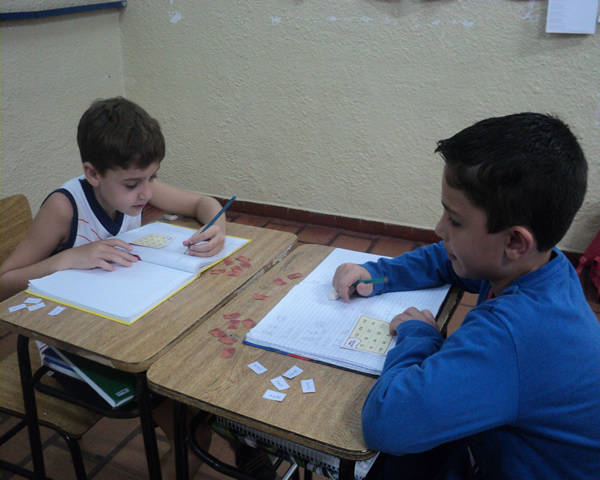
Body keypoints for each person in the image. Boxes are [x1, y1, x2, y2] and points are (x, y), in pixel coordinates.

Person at [332, 113, 600, 479]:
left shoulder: (513, 333)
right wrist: (378, 275)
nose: (439, 228)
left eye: (455, 221)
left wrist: (420, 336)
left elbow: (386, 424)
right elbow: (445, 259)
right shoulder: (543, 267)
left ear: (515, 241)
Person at [0, 97, 228, 479]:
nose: (146, 194)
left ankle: (232, 440)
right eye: (134, 184)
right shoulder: (64, 208)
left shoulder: (133, 186)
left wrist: (215, 228)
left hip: (123, 325)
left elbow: (204, 203)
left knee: (199, 369)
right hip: (69, 348)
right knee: (190, 422)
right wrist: (67, 259)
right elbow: (4, 283)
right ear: (93, 173)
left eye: (152, 178)